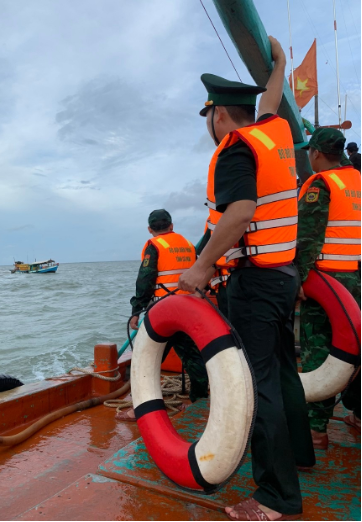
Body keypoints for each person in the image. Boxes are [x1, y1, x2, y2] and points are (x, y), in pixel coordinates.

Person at [179, 36, 315, 522]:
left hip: (255, 285)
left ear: (217, 114)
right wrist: (278, 64)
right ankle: (300, 455)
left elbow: (239, 213)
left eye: (209, 117)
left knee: (257, 385)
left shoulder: (235, 150)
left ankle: (277, 497)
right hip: (284, 276)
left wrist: (200, 267)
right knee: (282, 371)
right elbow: (271, 102)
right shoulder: (273, 133)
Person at [297, 128, 362, 448]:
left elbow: (308, 236)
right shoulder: (358, 181)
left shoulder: (321, 184)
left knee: (320, 353)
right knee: (355, 349)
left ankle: (316, 430)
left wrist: (299, 279)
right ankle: (358, 413)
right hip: (356, 278)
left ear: (317, 153)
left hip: (327, 282)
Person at [119, 210, 209, 422]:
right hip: (188, 307)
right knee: (193, 357)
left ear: (150, 229)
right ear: (171, 225)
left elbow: (145, 280)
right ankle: (200, 402)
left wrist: (136, 310)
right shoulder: (188, 244)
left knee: (146, 359)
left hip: (164, 311)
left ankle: (139, 409)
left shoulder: (154, 245)